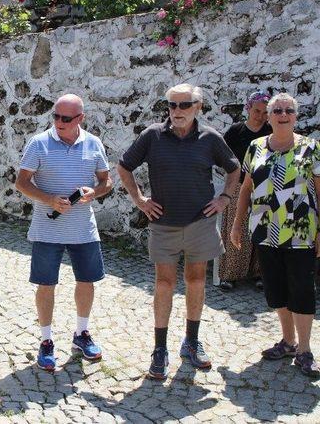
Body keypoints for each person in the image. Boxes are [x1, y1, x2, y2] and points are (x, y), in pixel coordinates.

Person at [117, 83, 240, 380]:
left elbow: (235, 169)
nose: (177, 111)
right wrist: (139, 199)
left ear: (198, 107)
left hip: (200, 222)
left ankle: (191, 341)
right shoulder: (152, 136)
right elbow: (124, 167)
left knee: (196, 279)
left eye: (184, 105)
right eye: (172, 105)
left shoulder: (210, 138)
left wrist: (224, 198)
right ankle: (160, 349)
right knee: (164, 283)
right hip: (163, 224)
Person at [15, 94, 113, 371]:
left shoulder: (93, 143)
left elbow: (107, 181)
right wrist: (48, 199)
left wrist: (96, 191)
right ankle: (46, 341)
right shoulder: (39, 143)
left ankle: (81, 334)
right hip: (47, 228)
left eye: (66, 118)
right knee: (46, 285)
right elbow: (21, 182)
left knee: (87, 281)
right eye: (56, 116)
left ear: (80, 118)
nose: (59, 122)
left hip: (84, 229)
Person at [231, 93, 320, 377]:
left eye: (289, 110)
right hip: (265, 230)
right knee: (275, 287)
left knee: (302, 288)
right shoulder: (256, 147)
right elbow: (245, 188)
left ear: (295, 116)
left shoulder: (311, 148)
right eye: (277, 110)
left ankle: (305, 350)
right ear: (269, 116)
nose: (283, 114)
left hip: (302, 231)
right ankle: (288, 341)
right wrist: (236, 223)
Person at [217, 91, 272, 291]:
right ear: (249, 109)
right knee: (235, 225)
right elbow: (222, 154)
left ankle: (260, 273)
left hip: (265, 185)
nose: (260, 116)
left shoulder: (271, 132)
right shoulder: (236, 131)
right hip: (239, 184)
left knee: (262, 228)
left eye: (265, 112)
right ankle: (230, 274)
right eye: (257, 111)